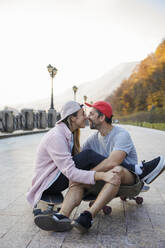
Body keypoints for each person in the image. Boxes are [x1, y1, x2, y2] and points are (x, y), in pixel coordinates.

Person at [29, 100, 165, 233]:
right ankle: (62, 216)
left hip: (129, 178)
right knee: (81, 175)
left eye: (91, 114)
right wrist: (87, 176)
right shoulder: (88, 138)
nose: (87, 116)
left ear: (102, 117)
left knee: (114, 170)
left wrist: (89, 175)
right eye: (84, 114)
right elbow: (79, 161)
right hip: (68, 181)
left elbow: (112, 162)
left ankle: (88, 215)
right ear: (72, 118)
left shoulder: (121, 135)